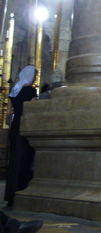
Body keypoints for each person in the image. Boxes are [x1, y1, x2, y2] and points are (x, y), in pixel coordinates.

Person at [4, 66, 38, 207]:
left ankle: (11, 196)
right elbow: (34, 109)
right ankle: (22, 193)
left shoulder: (14, 90)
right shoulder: (31, 90)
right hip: (26, 126)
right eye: (35, 76)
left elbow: (9, 112)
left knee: (14, 160)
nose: (35, 78)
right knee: (25, 160)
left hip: (15, 127)